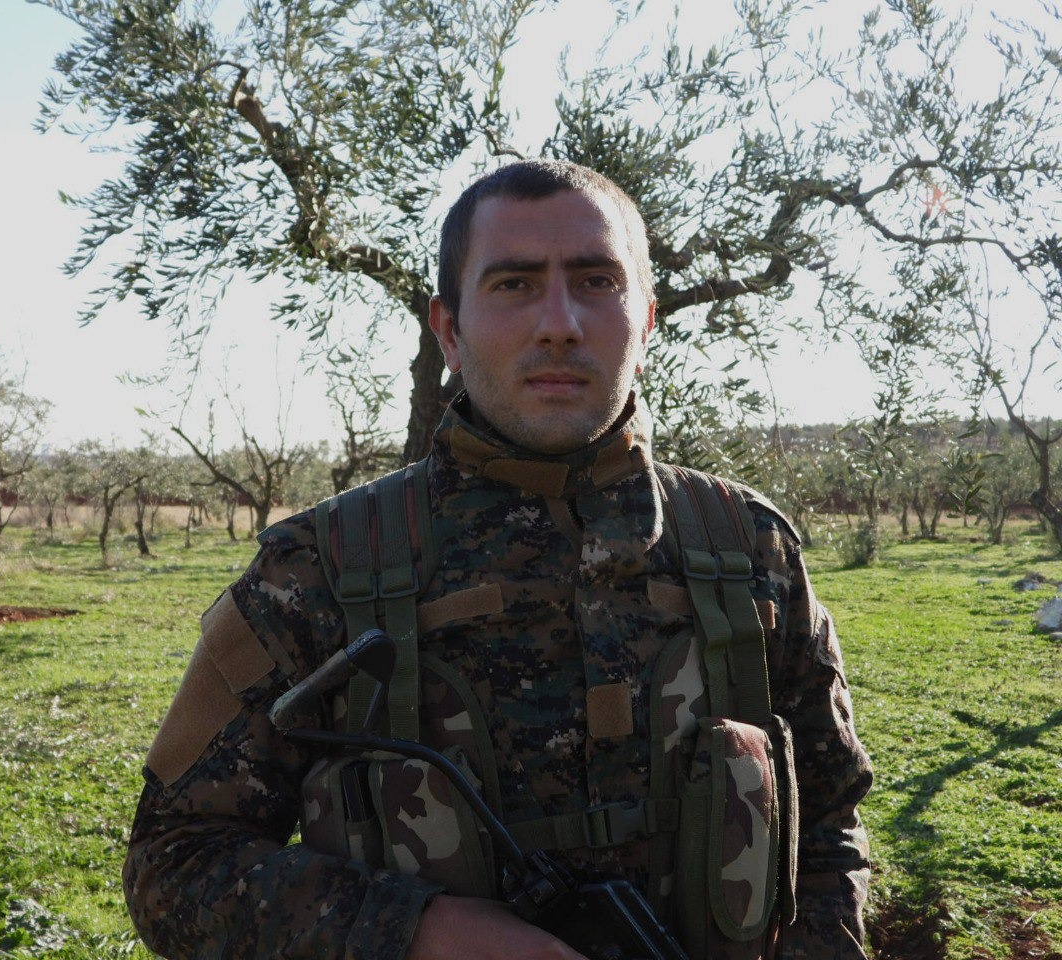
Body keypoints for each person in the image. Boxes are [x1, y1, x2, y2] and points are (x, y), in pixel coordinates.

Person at [124, 160, 872, 960]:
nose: (560, 323)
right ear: (448, 331)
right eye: (514, 284)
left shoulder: (747, 548)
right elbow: (175, 865)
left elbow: (829, 823)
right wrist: (415, 931)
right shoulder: (317, 569)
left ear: (647, 322)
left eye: (596, 281)